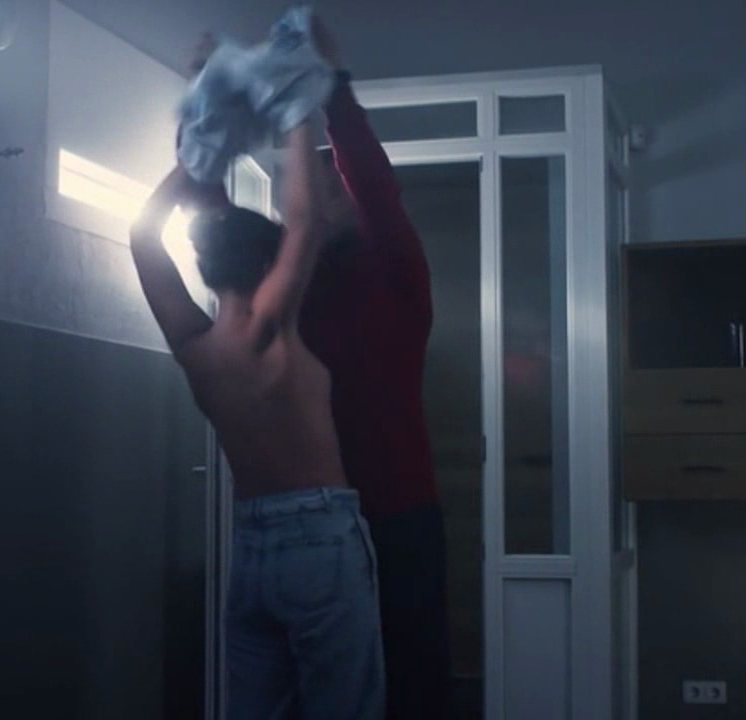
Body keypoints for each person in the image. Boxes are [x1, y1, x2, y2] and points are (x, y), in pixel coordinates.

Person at [188, 18, 455, 720]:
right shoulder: (287, 287)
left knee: (413, 690)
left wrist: (332, 88)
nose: (307, 190)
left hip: (397, 518)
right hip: (317, 530)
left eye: (328, 182)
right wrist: (206, 97)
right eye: (309, 183)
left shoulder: (396, 270)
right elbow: (218, 229)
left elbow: (375, 185)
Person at [129, 122, 385, 719]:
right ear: (271, 265)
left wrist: (193, 161)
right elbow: (307, 222)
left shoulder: (195, 348)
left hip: (252, 548)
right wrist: (297, 117)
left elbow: (142, 238)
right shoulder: (271, 329)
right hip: (320, 537)